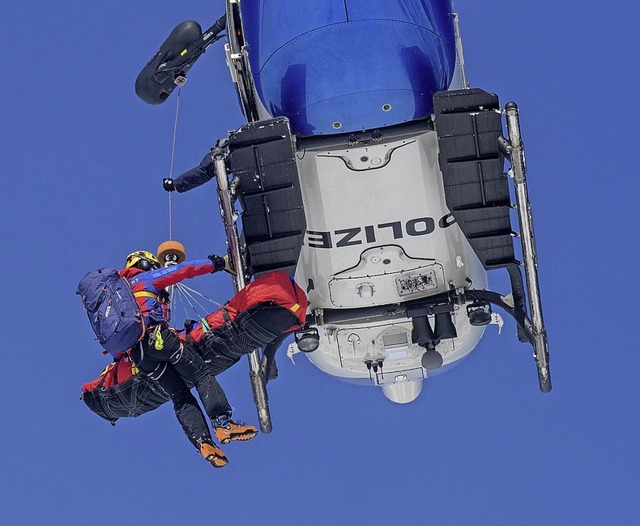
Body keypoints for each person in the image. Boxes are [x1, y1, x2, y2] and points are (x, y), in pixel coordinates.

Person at [121, 250, 257, 468]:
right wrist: (218, 263)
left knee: (179, 395)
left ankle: (203, 443)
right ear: (146, 264)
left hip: (140, 356)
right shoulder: (144, 279)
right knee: (201, 373)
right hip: (159, 339)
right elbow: (184, 270)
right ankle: (223, 423)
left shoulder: (122, 295)